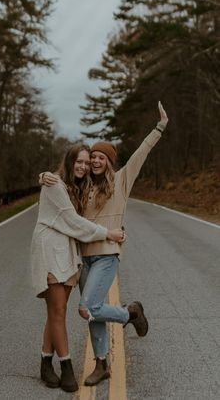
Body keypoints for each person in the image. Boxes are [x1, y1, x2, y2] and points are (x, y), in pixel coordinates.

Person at [41, 101, 169, 386]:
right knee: (93, 314)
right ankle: (102, 364)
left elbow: (142, 153)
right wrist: (43, 176)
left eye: (102, 157)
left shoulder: (122, 181)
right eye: (93, 157)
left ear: (110, 162)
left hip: (106, 256)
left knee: (87, 307)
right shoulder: (82, 186)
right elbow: (62, 189)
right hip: (82, 258)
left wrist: (159, 127)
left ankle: (129, 312)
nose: (96, 161)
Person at [31, 144, 124, 393]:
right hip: (51, 253)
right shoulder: (54, 185)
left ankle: (45, 362)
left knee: (55, 311)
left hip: (71, 255)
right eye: (79, 161)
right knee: (58, 311)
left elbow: (85, 216)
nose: (84, 165)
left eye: (87, 161)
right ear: (70, 162)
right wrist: (109, 233)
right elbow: (73, 221)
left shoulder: (78, 188)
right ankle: (66, 366)